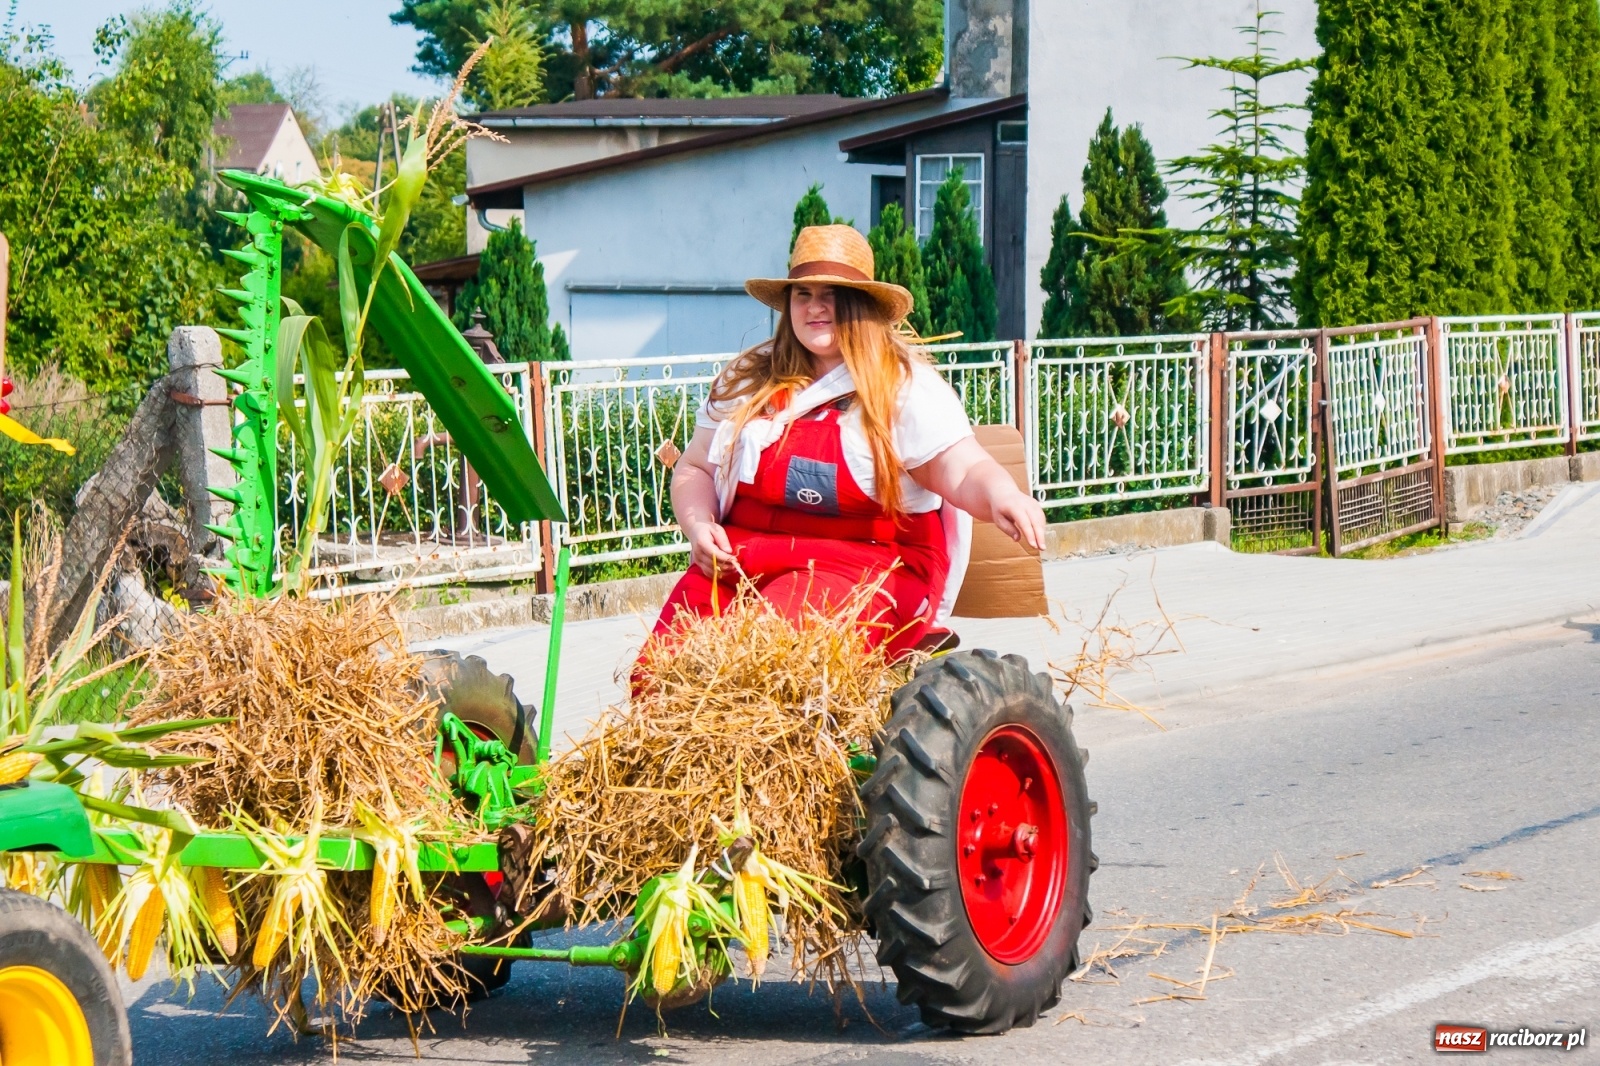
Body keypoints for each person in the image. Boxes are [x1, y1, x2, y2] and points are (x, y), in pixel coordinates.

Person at [648, 224, 1046, 658]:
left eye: (831, 294)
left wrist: (1004, 495)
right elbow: (696, 467)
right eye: (803, 294)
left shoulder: (903, 387)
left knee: (764, 658)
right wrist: (699, 526)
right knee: (666, 668)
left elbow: (964, 468)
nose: (814, 307)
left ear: (861, 305)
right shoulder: (749, 379)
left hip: (868, 567)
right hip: (741, 561)